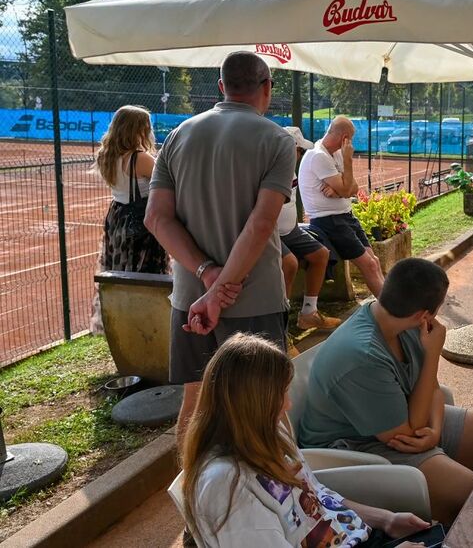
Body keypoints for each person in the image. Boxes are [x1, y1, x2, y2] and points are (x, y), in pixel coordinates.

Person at [146, 51, 294, 454]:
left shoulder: (178, 135)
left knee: (195, 399)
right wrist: (219, 289)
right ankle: (284, 490)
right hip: (254, 299)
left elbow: (156, 218)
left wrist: (207, 275)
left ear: (221, 87)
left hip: (190, 298)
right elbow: (260, 224)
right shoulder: (277, 140)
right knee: (269, 405)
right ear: (267, 88)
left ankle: (192, 489)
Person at [298, 259, 473, 525]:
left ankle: (451, 506)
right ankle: (445, 524)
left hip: (399, 420)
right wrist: (433, 354)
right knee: (466, 491)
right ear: (424, 314)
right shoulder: (363, 355)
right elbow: (409, 433)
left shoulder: (403, 323)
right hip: (349, 446)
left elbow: (432, 388)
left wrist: (435, 431)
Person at [181, 334, 433, 547]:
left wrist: (387, 520)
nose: (288, 404)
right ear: (254, 404)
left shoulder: (269, 433)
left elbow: (319, 497)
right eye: (281, 394)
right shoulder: (228, 487)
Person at [298, 116, 384, 299]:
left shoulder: (335, 154)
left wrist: (339, 192)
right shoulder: (318, 156)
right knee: (369, 265)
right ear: (345, 138)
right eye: (350, 139)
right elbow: (347, 189)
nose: (351, 144)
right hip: (329, 220)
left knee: (374, 262)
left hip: (346, 216)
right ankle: (391, 309)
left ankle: (390, 304)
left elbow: (354, 189)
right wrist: (348, 162)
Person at [94, 105, 169, 277]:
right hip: (140, 218)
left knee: (121, 265)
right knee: (145, 267)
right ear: (137, 129)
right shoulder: (140, 158)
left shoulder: (106, 155)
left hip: (117, 215)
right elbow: (167, 182)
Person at [278, 127, 341, 331]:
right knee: (290, 264)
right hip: (271, 233)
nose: (300, 155)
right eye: (300, 151)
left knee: (321, 254)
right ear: (291, 149)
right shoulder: (273, 169)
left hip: (291, 230)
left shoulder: (290, 169)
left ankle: (308, 313)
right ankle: (281, 329)